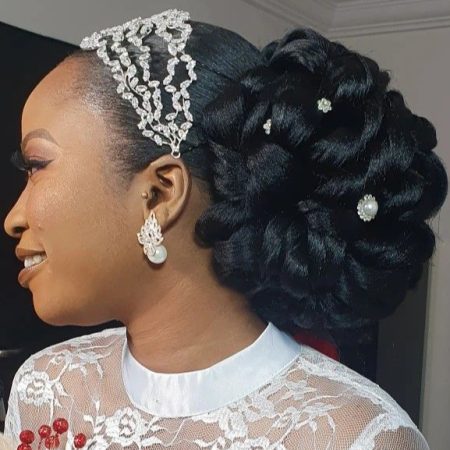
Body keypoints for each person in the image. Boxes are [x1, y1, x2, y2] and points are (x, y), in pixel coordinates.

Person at [2, 8, 447, 449]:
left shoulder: (356, 436)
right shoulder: (48, 388)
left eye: (37, 165)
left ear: (159, 194)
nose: (12, 219)